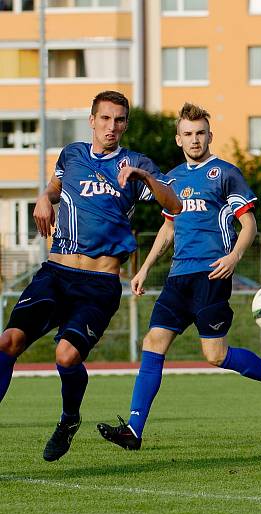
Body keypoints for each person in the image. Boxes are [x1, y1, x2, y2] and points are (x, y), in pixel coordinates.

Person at [96, 103, 261, 450]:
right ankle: (134, 430)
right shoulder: (172, 178)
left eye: (200, 133)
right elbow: (168, 227)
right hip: (178, 278)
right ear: (179, 139)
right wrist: (144, 268)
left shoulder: (225, 173)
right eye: (188, 134)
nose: (195, 140)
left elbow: (248, 223)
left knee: (215, 356)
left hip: (212, 275)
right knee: (153, 343)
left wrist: (234, 257)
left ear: (210, 136)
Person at [0, 91, 181, 461]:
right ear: (92, 120)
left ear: (125, 124)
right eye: (105, 119)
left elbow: (175, 204)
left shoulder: (135, 163)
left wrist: (145, 177)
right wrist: (42, 197)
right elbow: (55, 186)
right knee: (8, 341)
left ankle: (69, 419)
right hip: (56, 272)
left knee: (66, 356)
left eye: (119, 120)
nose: (112, 126)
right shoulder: (72, 154)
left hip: (98, 285)